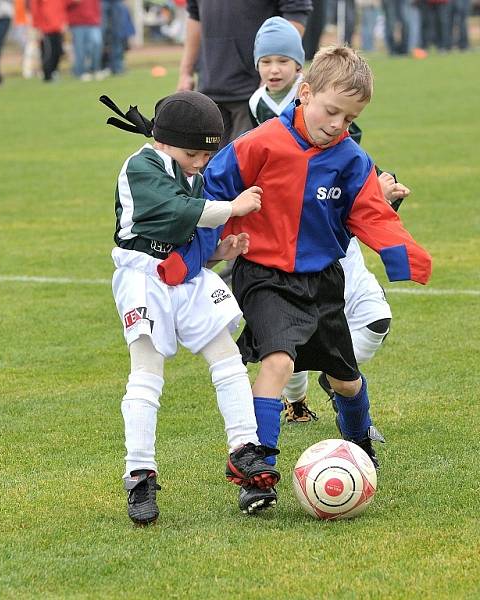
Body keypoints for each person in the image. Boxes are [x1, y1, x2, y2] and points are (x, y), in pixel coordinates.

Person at [163, 46, 432, 513]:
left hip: (323, 280)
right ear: (304, 94)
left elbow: (368, 211)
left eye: (349, 118)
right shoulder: (259, 144)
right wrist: (191, 252)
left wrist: (402, 252)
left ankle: (358, 445)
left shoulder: (350, 158)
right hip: (263, 274)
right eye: (331, 110)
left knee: (345, 380)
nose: (337, 124)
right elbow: (213, 196)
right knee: (278, 362)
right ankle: (257, 468)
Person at [103, 91, 281, 523]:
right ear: (163, 141)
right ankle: (139, 474)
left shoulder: (189, 171)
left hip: (184, 278)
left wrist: (218, 252)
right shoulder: (140, 166)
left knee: (227, 358)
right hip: (143, 277)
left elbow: (186, 236)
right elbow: (171, 211)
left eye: (207, 153)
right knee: (146, 375)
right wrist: (231, 208)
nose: (201, 162)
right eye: (192, 152)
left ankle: (244, 451)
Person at [247, 18, 409, 423]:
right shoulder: (256, 108)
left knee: (372, 321)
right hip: (285, 247)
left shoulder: (334, 124)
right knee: (290, 343)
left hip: (334, 239)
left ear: (300, 70)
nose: (274, 68)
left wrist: (379, 195)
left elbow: (350, 170)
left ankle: (337, 382)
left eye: (283, 59)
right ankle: (297, 404)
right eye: (266, 60)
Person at [176, 0, 312, 148]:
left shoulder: (259, 101)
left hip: (251, 94)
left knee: (247, 162)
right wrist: (185, 72)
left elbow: (296, 11)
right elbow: (195, 15)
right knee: (209, 167)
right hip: (209, 91)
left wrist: (271, 69)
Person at [30, 0, 66, 82]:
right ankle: (47, 75)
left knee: (58, 52)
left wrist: (64, 21)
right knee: (48, 53)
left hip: (58, 27)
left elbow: (63, 6)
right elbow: (35, 8)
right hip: (45, 28)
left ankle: (54, 72)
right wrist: (37, 26)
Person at [66, 0, 102, 81]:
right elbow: (64, 4)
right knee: (80, 49)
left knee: (97, 43)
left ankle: (95, 69)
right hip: (77, 22)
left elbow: (97, 4)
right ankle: (81, 72)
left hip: (93, 21)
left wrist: (98, 18)